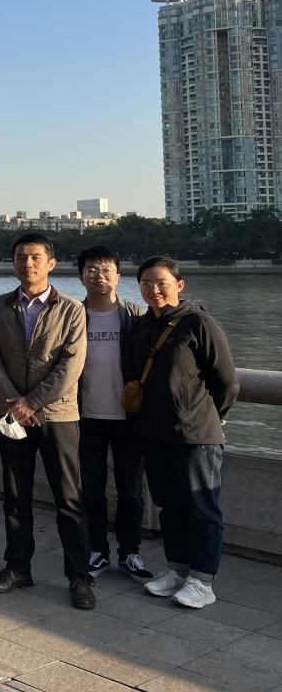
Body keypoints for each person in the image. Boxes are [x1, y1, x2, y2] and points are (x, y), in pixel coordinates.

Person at [0, 233, 95, 610]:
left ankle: (79, 576)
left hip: (58, 415)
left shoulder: (72, 309)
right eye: (20, 257)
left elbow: (72, 364)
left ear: (51, 263)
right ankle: (17, 567)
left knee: (69, 498)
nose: (27, 263)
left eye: (35, 257)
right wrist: (16, 403)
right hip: (13, 415)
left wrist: (31, 402)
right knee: (15, 495)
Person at [126, 256, 238, 610]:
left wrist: (207, 418)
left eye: (161, 282)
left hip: (195, 434)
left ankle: (203, 580)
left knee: (202, 508)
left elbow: (226, 381)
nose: (154, 289)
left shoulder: (199, 323)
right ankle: (178, 570)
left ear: (179, 284)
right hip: (154, 433)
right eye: (146, 283)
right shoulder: (141, 327)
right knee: (169, 506)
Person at [75, 246, 150, 583]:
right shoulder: (73, 315)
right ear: (81, 276)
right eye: (92, 269)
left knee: (131, 491)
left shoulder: (135, 316)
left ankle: (130, 552)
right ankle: (97, 550)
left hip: (128, 419)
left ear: (119, 276)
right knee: (91, 489)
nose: (99, 276)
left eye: (106, 270)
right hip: (86, 416)